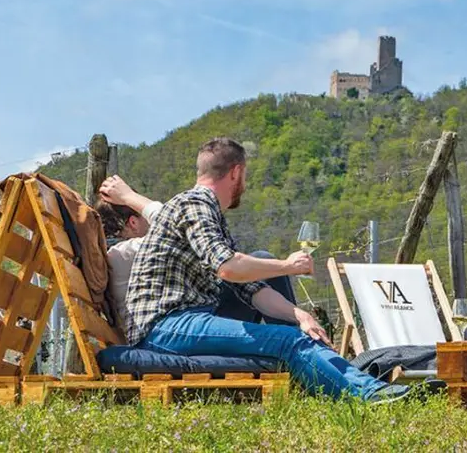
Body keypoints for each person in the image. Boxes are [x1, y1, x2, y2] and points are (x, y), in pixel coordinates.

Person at [125, 137, 441, 403]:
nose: (244, 184)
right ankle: (372, 396)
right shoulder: (195, 204)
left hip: (182, 322)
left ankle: (366, 387)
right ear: (236, 172)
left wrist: (299, 315)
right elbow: (228, 268)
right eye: (245, 177)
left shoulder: (205, 212)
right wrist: (288, 265)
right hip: (166, 327)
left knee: (292, 333)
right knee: (287, 340)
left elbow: (249, 287)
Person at [94, 175, 298, 338]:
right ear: (133, 222)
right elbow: (171, 216)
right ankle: (300, 344)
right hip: (182, 328)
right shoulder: (129, 251)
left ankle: (297, 338)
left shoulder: (117, 255)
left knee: (252, 270)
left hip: (175, 324)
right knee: (261, 261)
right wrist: (128, 196)